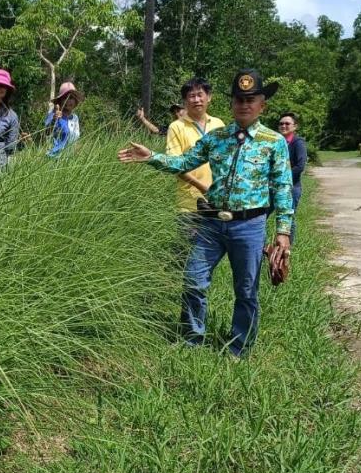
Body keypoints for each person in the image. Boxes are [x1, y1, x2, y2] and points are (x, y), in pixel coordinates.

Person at [118, 69, 293, 357]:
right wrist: (151, 157)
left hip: (249, 226)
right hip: (210, 222)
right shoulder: (217, 138)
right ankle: (191, 340)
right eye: (239, 99)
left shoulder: (273, 142)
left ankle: (239, 348)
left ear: (263, 104)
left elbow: (283, 188)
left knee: (246, 291)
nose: (244, 104)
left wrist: (283, 232)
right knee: (193, 281)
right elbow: (184, 162)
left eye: (251, 99)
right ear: (231, 103)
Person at [166, 79, 225, 228]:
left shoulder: (219, 124)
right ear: (185, 100)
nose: (197, 100)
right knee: (186, 249)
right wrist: (204, 188)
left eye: (200, 95)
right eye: (192, 96)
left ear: (209, 97)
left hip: (218, 202)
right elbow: (174, 165)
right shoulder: (176, 127)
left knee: (215, 248)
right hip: (189, 204)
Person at [277, 111, 308, 240]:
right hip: (274, 187)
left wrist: (283, 177)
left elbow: (300, 166)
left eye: (287, 123)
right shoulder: (277, 142)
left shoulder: (298, 143)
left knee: (288, 219)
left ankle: (286, 248)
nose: (283, 126)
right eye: (281, 123)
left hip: (291, 187)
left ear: (295, 126)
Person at [44, 81, 84, 157]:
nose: (68, 101)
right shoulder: (53, 114)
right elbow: (46, 133)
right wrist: (54, 120)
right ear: (60, 100)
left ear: (75, 101)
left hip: (69, 159)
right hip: (54, 158)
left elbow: (75, 139)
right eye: (65, 97)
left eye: (71, 98)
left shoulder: (75, 118)